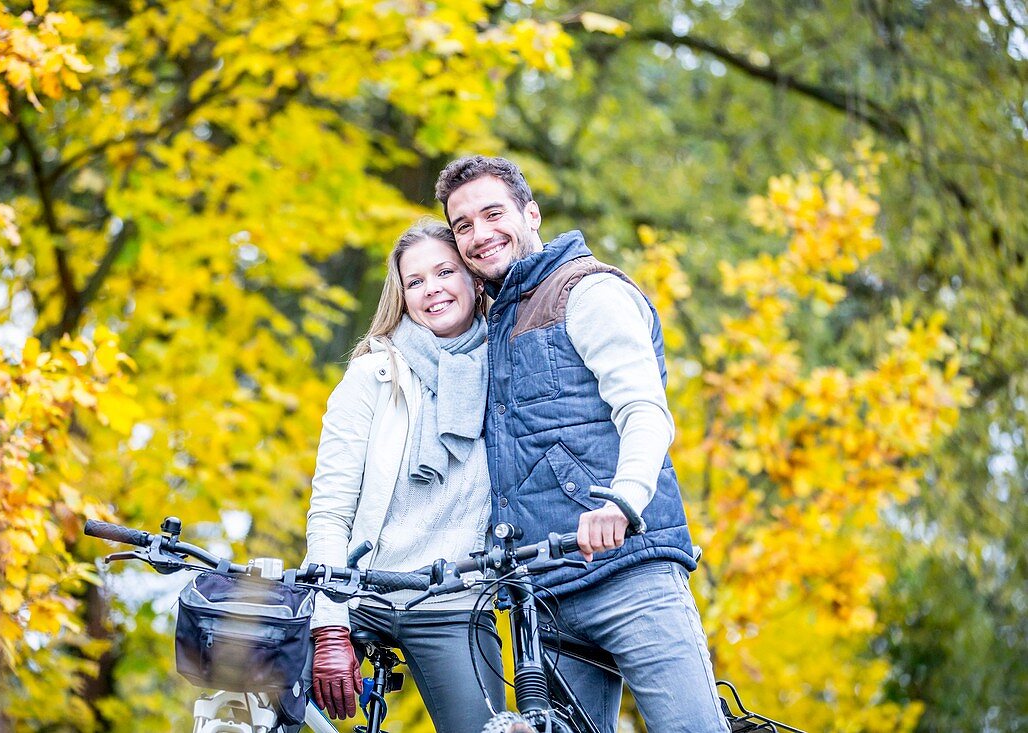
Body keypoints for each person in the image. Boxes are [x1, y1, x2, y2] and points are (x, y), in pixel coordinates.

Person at [435, 156, 730, 733]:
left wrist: (623, 500)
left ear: (531, 213)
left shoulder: (587, 292)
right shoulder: (491, 323)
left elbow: (645, 409)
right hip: (540, 597)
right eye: (462, 224)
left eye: (493, 214)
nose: (479, 233)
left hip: (628, 575)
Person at [304, 220, 504, 732]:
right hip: (359, 594)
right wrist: (329, 628)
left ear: (474, 278)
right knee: (255, 686)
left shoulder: (508, 371)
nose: (432, 288)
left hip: (454, 602)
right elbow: (330, 511)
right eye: (415, 281)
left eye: (445, 271)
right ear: (403, 296)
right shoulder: (372, 375)